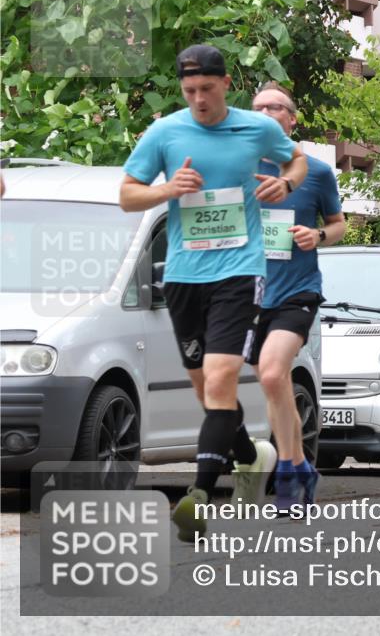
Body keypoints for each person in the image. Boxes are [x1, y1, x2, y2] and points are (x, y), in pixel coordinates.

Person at [119, 45, 308, 540]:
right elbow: (127, 195)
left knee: (222, 379)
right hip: (184, 276)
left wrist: (286, 185)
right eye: (190, 91)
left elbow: (297, 161)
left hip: (240, 271)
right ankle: (249, 455)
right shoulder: (165, 133)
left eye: (207, 88)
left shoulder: (257, 128)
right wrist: (167, 189)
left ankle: (198, 497)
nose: (199, 99)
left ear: (226, 84)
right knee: (206, 391)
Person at [247, 82, 347, 510]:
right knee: (275, 385)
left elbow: (339, 225)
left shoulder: (316, 172)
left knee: (273, 375)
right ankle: (299, 464)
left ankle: (289, 468)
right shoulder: (237, 168)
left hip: (297, 291)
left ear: (291, 119)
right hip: (248, 295)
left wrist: (317, 235)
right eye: (257, 108)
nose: (265, 113)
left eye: (274, 107)